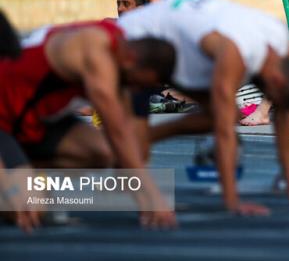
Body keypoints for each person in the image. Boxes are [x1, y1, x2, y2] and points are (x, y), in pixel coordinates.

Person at [118, 0, 289, 216]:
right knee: (131, 153)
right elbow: (224, 132)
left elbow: (285, 116)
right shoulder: (235, 52)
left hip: (181, 45)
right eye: (275, 99)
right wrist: (232, 200)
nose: (271, 104)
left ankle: (146, 136)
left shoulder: (279, 42)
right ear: (277, 81)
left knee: (224, 114)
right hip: (137, 38)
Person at [0, 19, 177, 228]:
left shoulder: (119, 49)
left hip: (33, 123)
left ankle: (24, 172)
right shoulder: (95, 54)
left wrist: (143, 195)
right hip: (4, 124)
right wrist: (152, 198)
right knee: (29, 207)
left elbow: (127, 134)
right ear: (130, 60)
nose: (136, 91)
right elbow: (117, 131)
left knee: (103, 152)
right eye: (137, 84)